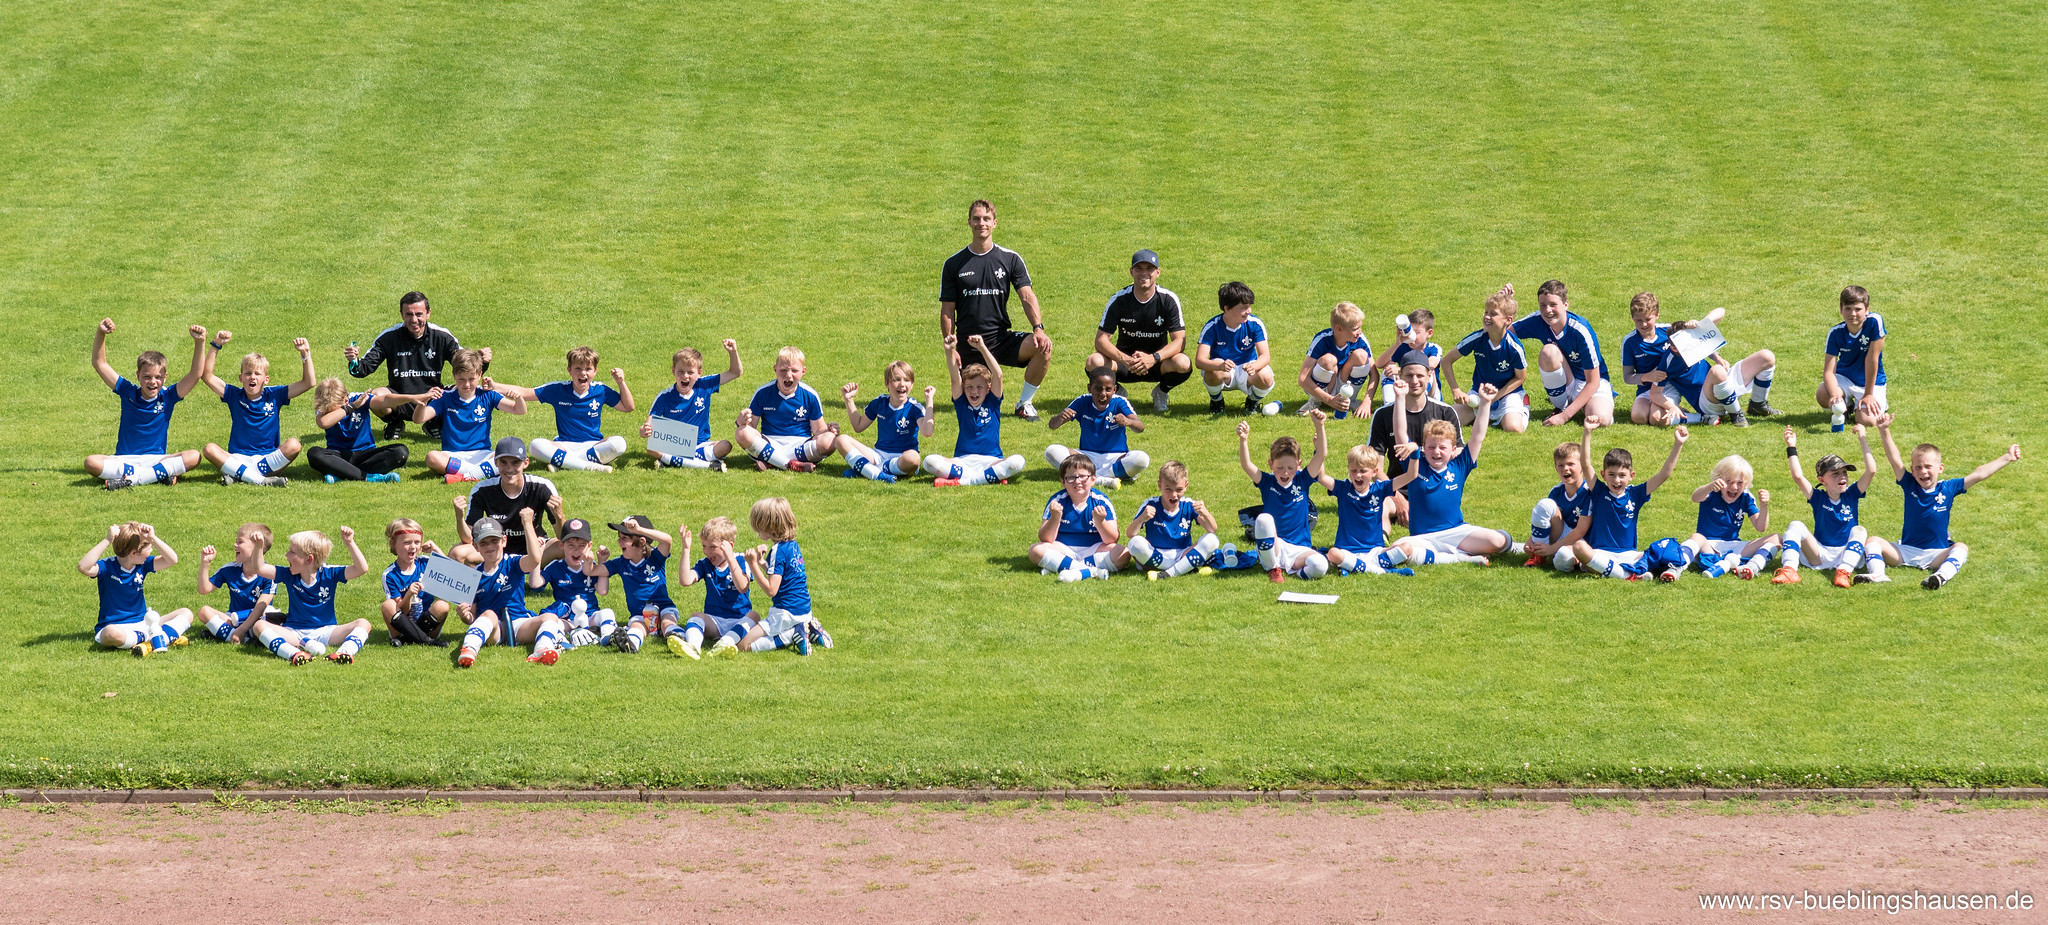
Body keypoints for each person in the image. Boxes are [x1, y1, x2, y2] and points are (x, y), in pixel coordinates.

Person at [1875, 415, 2021, 589]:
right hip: (1906, 551)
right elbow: (1895, 460)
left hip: (1937, 554)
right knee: (1873, 541)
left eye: (1928, 466)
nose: (1923, 471)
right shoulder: (1909, 484)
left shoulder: (1949, 488)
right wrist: (1884, 430)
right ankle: (1877, 574)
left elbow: (1979, 474)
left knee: (1961, 547)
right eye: (1918, 467)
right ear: (1912, 470)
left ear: (1940, 468)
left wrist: (2007, 457)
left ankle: (1940, 576)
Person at [940, 199, 1052, 421]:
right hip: (968, 343)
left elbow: (1027, 296)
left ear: (994, 223)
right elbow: (947, 310)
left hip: (1000, 340)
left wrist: (1038, 328)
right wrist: (950, 344)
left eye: (986, 219)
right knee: (972, 404)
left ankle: (1024, 403)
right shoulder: (954, 263)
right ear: (969, 222)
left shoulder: (1009, 259)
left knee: (1043, 347)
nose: (981, 223)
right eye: (976, 219)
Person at [1389, 381, 1520, 566]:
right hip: (1423, 538)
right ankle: (1461, 558)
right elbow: (1400, 434)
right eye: (1431, 447)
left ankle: (1516, 547)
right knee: (1398, 548)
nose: (1436, 452)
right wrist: (1400, 397)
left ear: (1453, 450)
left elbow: (1477, 437)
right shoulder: (1415, 465)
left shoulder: (1460, 465)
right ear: (1423, 449)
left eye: (1442, 447)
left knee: (1499, 541)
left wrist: (1485, 403)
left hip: (1456, 533)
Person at [344, 291, 486, 440]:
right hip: (401, 398)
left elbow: (467, 367)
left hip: (433, 397)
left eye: (419, 314)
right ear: (401, 314)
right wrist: (353, 360)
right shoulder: (389, 337)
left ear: (428, 313)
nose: (414, 320)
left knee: (466, 388)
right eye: (409, 314)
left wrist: (483, 360)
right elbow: (361, 370)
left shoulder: (441, 336)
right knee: (376, 396)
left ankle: (434, 422)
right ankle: (395, 423)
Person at [86, 319, 206, 490]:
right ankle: (156, 475)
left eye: (158, 377)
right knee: (91, 462)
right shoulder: (128, 392)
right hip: (125, 459)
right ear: (138, 375)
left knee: (194, 456)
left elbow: (195, 374)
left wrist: (200, 342)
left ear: (165, 377)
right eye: (147, 377)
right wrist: (100, 333)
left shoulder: (168, 396)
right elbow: (100, 364)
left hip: (157, 459)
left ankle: (131, 479)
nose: (152, 382)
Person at [1567, 426, 1689, 580]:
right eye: (1611, 474)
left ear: (1631, 475)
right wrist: (1587, 432)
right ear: (1603, 474)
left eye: (1622, 475)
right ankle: (1627, 574)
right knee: (1579, 547)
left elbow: (1664, 474)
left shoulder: (1635, 494)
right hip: (1601, 553)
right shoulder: (1599, 491)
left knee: (1668, 546)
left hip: (1629, 554)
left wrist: (1678, 444)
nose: (1616, 480)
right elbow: (1585, 464)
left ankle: (1623, 571)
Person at [1777, 424, 1890, 587]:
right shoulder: (1817, 497)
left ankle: (1843, 571)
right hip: (1820, 553)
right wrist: (1791, 447)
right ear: (1822, 480)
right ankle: (1789, 570)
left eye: (1844, 472)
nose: (1842, 476)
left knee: (1859, 530)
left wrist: (1862, 438)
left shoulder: (1852, 494)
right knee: (1795, 525)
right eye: (1835, 473)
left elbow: (1871, 470)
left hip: (1847, 554)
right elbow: (1797, 476)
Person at [199, 334, 314, 486]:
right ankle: (261, 480)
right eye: (247, 373)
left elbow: (309, 382)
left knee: (294, 445)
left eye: (257, 374)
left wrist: (305, 354)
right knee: (209, 449)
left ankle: (240, 475)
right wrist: (215, 345)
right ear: (240, 378)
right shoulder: (234, 395)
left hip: (268, 459)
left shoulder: (275, 395)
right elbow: (207, 376)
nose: (252, 377)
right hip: (237, 458)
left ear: (266, 379)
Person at [451, 516, 564, 667]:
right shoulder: (473, 575)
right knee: (489, 614)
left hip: (518, 623)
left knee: (550, 617)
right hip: (493, 628)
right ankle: (469, 649)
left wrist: (527, 524)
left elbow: (534, 560)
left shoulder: (512, 562)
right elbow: (471, 617)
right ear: (476, 547)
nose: (490, 546)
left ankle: (542, 649)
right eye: (483, 543)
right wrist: (465, 615)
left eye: (494, 541)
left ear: (504, 541)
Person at [1088, 249, 1192, 413]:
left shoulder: (1168, 299)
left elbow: (1180, 341)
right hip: (1125, 364)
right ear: (1131, 272)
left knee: (1183, 363)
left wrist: (1153, 358)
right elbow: (1100, 340)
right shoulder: (1119, 300)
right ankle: (1117, 392)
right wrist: (1126, 360)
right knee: (1093, 361)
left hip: (1158, 363)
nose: (1144, 273)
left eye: (1149, 269)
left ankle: (1161, 392)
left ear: (1158, 272)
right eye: (1139, 268)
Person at [251, 528, 374, 665]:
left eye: (292, 552)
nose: (286, 555)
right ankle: (294, 654)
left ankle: (344, 652)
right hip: (294, 633)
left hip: (327, 632)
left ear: (309, 559)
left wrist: (350, 543)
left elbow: (361, 569)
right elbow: (259, 569)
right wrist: (258, 546)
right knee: (259, 625)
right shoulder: (289, 574)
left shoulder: (330, 573)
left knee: (364, 623)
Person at [1367, 353, 1464, 526]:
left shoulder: (1445, 412)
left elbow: (1459, 455)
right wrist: (1395, 495)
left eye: (1420, 375)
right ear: (1399, 376)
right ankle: (1381, 550)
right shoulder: (1383, 415)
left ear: (1429, 376)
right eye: (1409, 375)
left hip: (1435, 488)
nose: (1414, 380)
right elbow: (1375, 466)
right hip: (1398, 486)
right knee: (1379, 507)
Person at [923, 335, 1027, 486]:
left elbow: (998, 374)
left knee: (1018, 462)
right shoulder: (961, 402)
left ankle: (962, 482)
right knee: (929, 462)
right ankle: (986, 478)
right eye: (969, 387)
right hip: (963, 461)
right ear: (964, 388)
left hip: (992, 460)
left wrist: (982, 348)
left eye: (979, 387)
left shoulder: (993, 401)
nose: (974, 391)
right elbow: (954, 377)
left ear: (988, 388)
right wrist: (949, 350)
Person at [1509, 280, 1614, 427]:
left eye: (1553, 304)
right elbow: (1501, 333)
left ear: (1566, 304)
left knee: (1601, 419)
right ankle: (1561, 406)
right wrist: (1504, 303)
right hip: (1567, 380)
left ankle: (1576, 407)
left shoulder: (1581, 330)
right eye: (1543, 305)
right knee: (1549, 352)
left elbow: (1593, 381)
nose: (1547, 310)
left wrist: (1565, 417)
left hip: (1590, 383)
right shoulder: (1538, 320)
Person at [79, 522, 191, 657]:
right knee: (110, 633)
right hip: (117, 628)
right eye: (148, 548)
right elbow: (83, 567)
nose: (151, 551)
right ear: (134, 553)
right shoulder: (107, 567)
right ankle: (160, 638)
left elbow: (172, 560)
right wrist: (107, 540)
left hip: (144, 623)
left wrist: (153, 538)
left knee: (186, 613)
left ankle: (149, 643)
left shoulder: (143, 565)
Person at [1239, 413, 1329, 582]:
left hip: (1299, 549)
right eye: (1280, 467)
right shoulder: (1267, 482)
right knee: (1264, 519)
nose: (1285, 472)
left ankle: (1294, 572)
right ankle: (1273, 569)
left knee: (1320, 565)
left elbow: (1322, 454)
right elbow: (1246, 465)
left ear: (1299, 464)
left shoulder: (1303, 480)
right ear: (1270, 464)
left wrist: (1320, 425)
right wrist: (1243, 439)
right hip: (1275, 545)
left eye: (1290, 467)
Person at [517, 347, 636, 473]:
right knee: (535, 445)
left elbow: (628, 407)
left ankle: (564, 462)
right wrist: (494, 387)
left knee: (619, 443)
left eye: (588, 369)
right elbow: (525, 392)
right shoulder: (558, 389)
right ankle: (590, 466)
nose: (583, 373)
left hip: (593, 445)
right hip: (564, 445)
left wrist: (621, 382)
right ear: (569, 370)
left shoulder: (601, 390)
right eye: (578, 369)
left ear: (595, 371)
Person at [416, 348, 528, 483]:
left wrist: (519, 398)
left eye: (471, 379)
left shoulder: (487, 394)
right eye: (461, 379)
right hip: (452, 455)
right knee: (432, 457)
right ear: (454, 376)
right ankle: (478, 473)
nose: (467, 384)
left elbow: (519, 410)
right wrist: (422, 401)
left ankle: (465, 476)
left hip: (483, 454)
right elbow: (418, 419)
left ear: (480, 375)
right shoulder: (445, 397)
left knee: (508, 455)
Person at [741, 497, 830, 653]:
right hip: (802, 609)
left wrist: (752, 564)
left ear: (769, 526)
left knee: (743, 646)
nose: (756, 531)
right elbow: (784, 576)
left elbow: (771, 590)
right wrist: (762, 563)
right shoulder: (791, 545)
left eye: (758, 527)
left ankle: (794, 634)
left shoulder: (777, 551)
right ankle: (809, 627)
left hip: (785, 613)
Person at [1310, 444, 1414, 577]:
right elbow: (1321, 477)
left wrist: (1415, 450)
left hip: (1375, 551)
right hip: (1347, 551)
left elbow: (1411, 475)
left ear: (1375, 471)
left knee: (1407, 548)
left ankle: (1355, 566)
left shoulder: (1380, 488)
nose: (1358, 475)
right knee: (1333, 554)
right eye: (1353, 470)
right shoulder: (1343, 489)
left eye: (1363, 471)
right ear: (1348, 468)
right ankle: (1384, 569)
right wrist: (1318, 449)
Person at [451, 437, 562, 561]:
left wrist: (559, 515)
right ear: (495, 462)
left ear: (525, 463)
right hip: (496, 550)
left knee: (565, 547)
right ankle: (486, 577)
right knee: (458, 553)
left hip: (536, 548)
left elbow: (562, 537)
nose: (509, 469)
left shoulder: (542, 486)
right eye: (503, 462)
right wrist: (459, 516)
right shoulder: (482, 490)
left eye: (515, 462)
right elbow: (468, 539)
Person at [735, 346, 839, 472]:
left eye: (794, 371)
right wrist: (741, 422)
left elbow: (818, 429)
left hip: (800, 446)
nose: (788, 375)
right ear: (775, 369)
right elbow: (750, 427)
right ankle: (792, 464)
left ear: (803, 371)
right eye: (783, 370)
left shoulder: (810, 395)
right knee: (741, 432)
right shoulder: (763, 393)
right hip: (770, 443)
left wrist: (829, 429)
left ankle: (772, 461)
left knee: (830, 440)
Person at [1677, 455, 1780, 581]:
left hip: (1734, 547)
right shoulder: (1712, 492)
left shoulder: (1746, 497)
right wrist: (1710, 486)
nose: (1734, 487)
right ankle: (1677, 566)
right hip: (1708, 545)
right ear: (1718, 479)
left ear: (1746, 484)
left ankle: (1751, 567)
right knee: (1696, 537)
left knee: (1776, 538)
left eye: (1740, 483)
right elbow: (1695, 497)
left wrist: (1764, 506)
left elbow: (1761, 527)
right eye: (1729, 481)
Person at [1444, 285, 1531, 434]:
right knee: (1448, 423)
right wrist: (1456, 390)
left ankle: (1522, 405)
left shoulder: (1514, 347)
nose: (1487, 317)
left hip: (1507, 394)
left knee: (1514, 428)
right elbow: (1446, 361)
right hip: (1479, 394)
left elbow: (1520, 377)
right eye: (1486, 312)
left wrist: (1495, 398)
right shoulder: (1477, 338)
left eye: (1493, 314)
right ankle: (1487, 414)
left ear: (1508, 320)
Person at [644, 341, 742, 471]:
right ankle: (708, 465)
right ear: (673, 371)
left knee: (725, 446)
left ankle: (670, 460)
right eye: (680, 372)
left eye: (690, 372)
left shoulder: (705, 385)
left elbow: (735, 372)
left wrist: (732, 352)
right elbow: (648, 425)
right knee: (652, 448)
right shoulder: (664, 397)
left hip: (700, 445)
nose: (685, 376)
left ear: (699, 373)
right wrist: (645, 431)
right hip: (674, 444)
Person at [1046, 370, 1150, 490]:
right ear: (1089, 388)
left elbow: (1140, 427)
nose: (1103, 394)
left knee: (1142, 459)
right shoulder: (1082, 401)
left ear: (1115, 389)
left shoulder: (1119, 402)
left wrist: (1128, 422)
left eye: (1108, 389)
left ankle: (1091, 477)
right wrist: (1061, 417)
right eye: (1098, 389)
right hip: (1086, 458)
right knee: (1051, 451)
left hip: (1115, 458)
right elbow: (1052, 425)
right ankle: (1102, 479)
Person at [1119, 460, 1222, 579]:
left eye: (1178, 490)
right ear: (1159, 485)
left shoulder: (1188, 505)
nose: (1173, 495)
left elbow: (1212, 529)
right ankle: (1183, 568)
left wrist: (1205, 513)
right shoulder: (1151, 504)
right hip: (1156, 554)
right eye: (1168, 489)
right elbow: (1130, 533)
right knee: (1134, 543)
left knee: (1212, 540)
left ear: (1186, 486)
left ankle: (1168, 573)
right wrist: (1142, 518)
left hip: (1183, 554)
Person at [1029, 454, 1124, 582]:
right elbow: (1045, 538)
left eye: (1083, 477)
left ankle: (1061, 566)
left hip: (1094, 549)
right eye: (1071, 478)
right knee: (1035, 550)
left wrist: (1100, 522)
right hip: (1063, 549)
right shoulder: (1057, 501)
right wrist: (1055, 517)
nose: (1077, 481)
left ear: (1093, 479)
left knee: (1123, 553)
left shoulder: (1102, 502)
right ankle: (1091, 571)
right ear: (1063, 481)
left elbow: (1112, 539)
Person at [837, 361, 936, 483]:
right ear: (886, 383)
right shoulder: (880, 402)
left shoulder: (914, 407)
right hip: (878, 455)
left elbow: (927, 432)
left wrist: (929, 401)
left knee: (914, 458)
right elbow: (858, 426)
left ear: (912, 385)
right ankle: (875, 473)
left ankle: (866, 470)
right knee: (841, 440)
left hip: (902, 459)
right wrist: (848, 399)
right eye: (896, 379)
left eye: (906, 380)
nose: (902, 384)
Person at [677, 517, 754, 659]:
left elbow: (742, 586)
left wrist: (730, 558)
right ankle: (693, 647)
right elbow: (685, 580)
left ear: (729, 545)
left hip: (739, 620)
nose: (707, 551)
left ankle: (726, 643)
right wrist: (686, 549)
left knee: (754, 616)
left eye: (712, 547)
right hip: (714, 622)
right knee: (695, 616)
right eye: (704, 546)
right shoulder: (705, 564)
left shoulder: (742, 560)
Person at [1197, 281, 1279, 415]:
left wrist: (1255, 366)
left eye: (1250, 306)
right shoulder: (1212, 326)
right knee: (1212, 371)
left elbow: (1265, 356)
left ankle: (1252, 402)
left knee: (1266, 376)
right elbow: (1199, 361)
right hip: (1223, 371)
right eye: (1244, 307)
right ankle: (1217, 401)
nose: (1249, 311)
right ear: (1227, 308)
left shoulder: (1255, 324)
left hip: (1247, 369)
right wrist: (1220, 366)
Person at [1524, 426, 1598, 571]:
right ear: (1556, 469)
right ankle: (1539, 555)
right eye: (1561, 465)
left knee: (1562, 560)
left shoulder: (1588, 493)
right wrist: (1531, 541)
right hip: (1561, 533)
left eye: (1571, 464)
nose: (1566, 469)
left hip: (1581, 541)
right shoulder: (1556, 491)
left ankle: (1571, 557)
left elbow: (1580, 531)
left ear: (1582, 467)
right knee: (1545, 505)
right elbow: (1545, 519)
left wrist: (1552, 549)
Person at [603, 515, 680, 655]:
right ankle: (631, 643)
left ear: (642, 541)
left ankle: (678, 638)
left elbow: (667, 540)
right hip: (639, 613)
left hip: (663, 608)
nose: (619, 541)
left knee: (667, 622)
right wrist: (597, 559)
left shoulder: (655, 558)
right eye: (619, 537)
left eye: (624, 538)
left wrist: (640, 529)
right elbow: (594, 571)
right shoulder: (620, 563)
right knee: (637, 626)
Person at [308, 378, 408, 483]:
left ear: (346, 400)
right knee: (314, 453)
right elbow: (323, 423)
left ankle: (340, 472)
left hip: (366, 455)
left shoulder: (358, 398)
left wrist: (413, 398)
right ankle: (366, 477)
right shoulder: (324, 405)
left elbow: (386, 400)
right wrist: (351, 408)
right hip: (337, 456)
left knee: (400, 452)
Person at [536, 517, 611, 649]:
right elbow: (535, 584)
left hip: (590, 616)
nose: (576, 550)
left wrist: (602, 562)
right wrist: (538, 555)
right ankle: (560, 640)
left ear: (589, 546)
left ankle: (609, 636)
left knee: (607, 613)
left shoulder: (591, 566)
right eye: (571, 545)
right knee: (554, 622)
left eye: (582, 546)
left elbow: (602, 591)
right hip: (567, 619)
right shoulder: (555, 567)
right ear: (561, 546)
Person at [196, 523, 278, 645]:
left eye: (240, 541)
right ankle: (243, 639)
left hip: (257, 619)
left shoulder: (269, 574)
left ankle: (224, 633)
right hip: (232, 619)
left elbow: (261, 607)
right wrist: (205, 563)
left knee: (269, 612)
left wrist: (242, 628)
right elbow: (204, 589)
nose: (235, 545)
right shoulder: (230, 569)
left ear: (256, 546)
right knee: (204, 611)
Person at [1818, 285, 1887, 428]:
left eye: (1858, 309)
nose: (1852, 314)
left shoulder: (1875, 322)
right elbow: (1828, 371)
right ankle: (1847, 407)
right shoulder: (1835, 333)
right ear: (1841, 309)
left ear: (1867, 309)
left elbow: (1872, 359)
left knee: (1867, 421)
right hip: (1845, 378)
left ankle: (1867, 405)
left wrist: (1868, 394)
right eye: (1847, 308)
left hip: (1872, 382)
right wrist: (1834, 394)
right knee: (1822, 393)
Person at [1297, 301, 1374, 419]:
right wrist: (1329, 400)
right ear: (1339, 329)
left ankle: (1350, 400)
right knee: (1328, 360)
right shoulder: (1322, 339)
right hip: (1326, 384)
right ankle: (1315, 402)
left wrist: (1367, 403)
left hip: (1344, 381)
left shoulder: (1360, 339)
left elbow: (1374, 375)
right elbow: (1302, 379)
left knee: (1361, 356)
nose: (1360, 331)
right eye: (1355, 328)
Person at [380, 518, 450, 647]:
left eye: (417, 542)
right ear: (393, 544)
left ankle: (407, 640)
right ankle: (427, 642)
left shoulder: (425, 562)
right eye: (407, 542)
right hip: (402, 625)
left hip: (428, 622)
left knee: (442, 605)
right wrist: (408, 595)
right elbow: (401, 610)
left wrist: (436, 550)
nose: (413, 546)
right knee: (388, 605)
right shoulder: (390, 575)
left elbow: (450, 572)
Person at [1371, 309, 1443, 405]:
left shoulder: (1433, 348)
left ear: (1429, 333)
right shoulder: (1403, 346)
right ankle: (1390, 405)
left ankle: (1418, 404)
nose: (1411, 336)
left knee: (1429, 372)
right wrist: (1397, 344)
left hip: (1431, 395)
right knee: (1388, 367)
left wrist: (1400, 370)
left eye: (1417, 332)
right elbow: (1379, 364)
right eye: (1410, 331)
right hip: (1408, 388)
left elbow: (1431, 364)